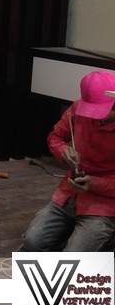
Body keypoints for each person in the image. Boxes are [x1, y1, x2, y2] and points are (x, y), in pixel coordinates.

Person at [22, 69, 115, 252]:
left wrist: (95, 184)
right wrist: (63, 151)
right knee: (32, 243)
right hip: (69, 193)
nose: (92, 116)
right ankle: (72, 232)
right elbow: (55, 137)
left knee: (71, 258)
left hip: (104, 203)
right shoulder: (78, 108)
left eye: (100, 110)